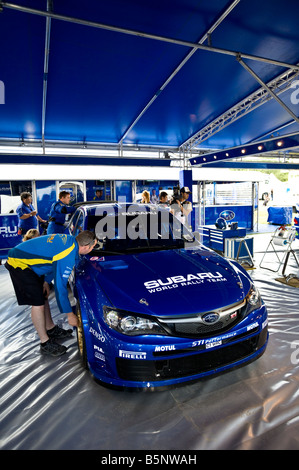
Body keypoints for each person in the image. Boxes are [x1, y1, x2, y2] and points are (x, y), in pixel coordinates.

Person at [5, 230, 97, 357]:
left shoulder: (71, 242)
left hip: (30, 262)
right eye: (93, 246)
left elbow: (52, 261)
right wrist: (70, 314)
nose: (93, 249)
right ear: (86, 246)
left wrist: (46, 281)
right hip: (19, 263)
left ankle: (51, 328)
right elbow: (60, 287)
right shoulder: (67, 253)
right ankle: (45, 343)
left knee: (43, 296)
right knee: (38, 303)